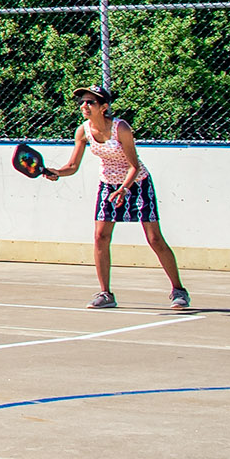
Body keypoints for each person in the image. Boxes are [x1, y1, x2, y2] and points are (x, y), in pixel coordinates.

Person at [43, 86, 188, 311]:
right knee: (100, 236)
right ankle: (105, 294)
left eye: (90, 102)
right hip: (107, 185)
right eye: (82, 102)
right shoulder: (83, 131)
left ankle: (178, 291)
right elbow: (72, 166)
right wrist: (56, 172)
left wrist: (123, 189)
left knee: (154, 239)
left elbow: (134, 165)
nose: (84, 106)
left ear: (104, 107)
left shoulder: (121, 128)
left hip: (137, 183)